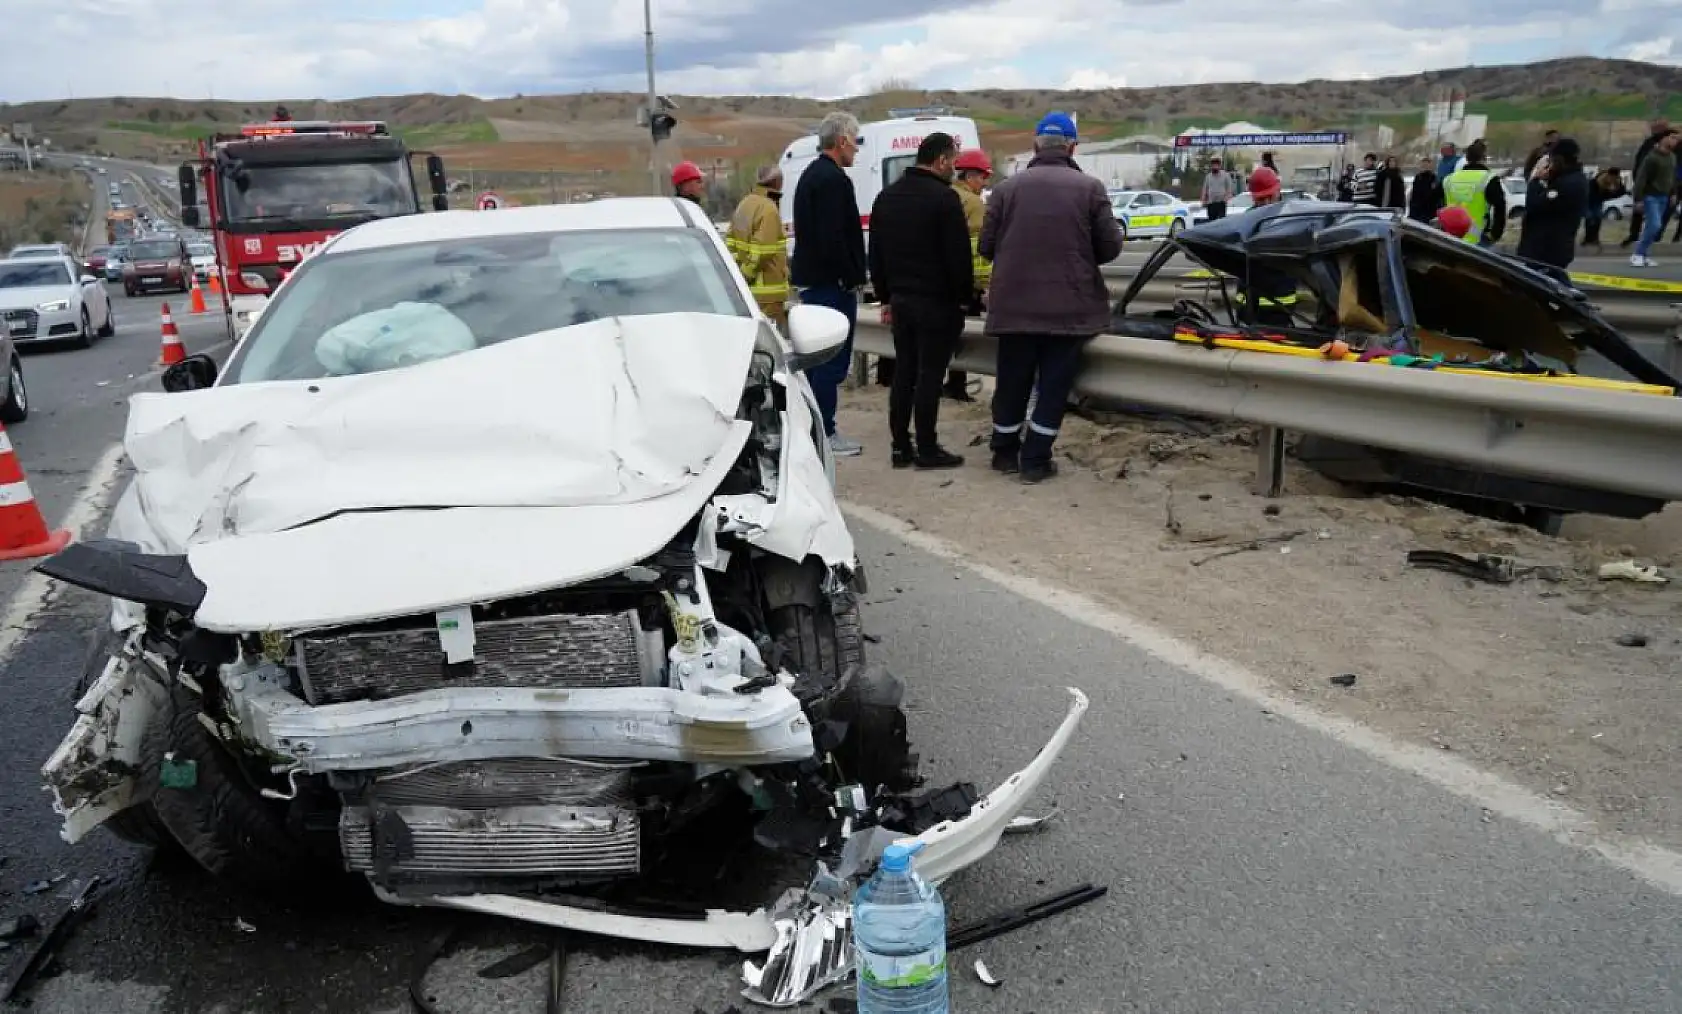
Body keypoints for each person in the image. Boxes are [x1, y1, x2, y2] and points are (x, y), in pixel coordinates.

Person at [978, 111, 1123, 485]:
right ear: (1073, 146)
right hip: (1068, 309)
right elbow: (1109, 248)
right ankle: (1036, 460)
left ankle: (1004, 452)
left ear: (1034, 144)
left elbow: (986, 246)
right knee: (1053, 386)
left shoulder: (1006, 190)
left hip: (1013, 306)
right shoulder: (1090, 189)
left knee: (1012, 382)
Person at [867, 132, 971, 470]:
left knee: (904, 374)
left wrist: (885, 297)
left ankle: (900, 446)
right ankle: (927, 447)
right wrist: (964, 299)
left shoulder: (886, 197)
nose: (955, 168)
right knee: (929, 376)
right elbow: (958, 258)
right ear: (941, 160)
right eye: (953, 161)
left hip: (901, 302)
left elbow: (876, 255)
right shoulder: (944, 199)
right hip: (936, 303)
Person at [790, 111, 868, 456]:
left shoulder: (811, 176)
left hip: (816, 280)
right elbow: (834, 237)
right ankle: (825, 432)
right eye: (856, 140)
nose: (857, 149)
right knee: (829, 361)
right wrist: (851, 277)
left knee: (818, 362)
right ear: (842, 140)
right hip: (830, 284)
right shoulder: (832, 180)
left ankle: (813, 429)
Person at [945, 147, 996, 401]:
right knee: (967, 334)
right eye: (983, 177)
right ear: (971, 175)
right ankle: (957, 385)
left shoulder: (947, 194)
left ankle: (952, 382)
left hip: (945, 280)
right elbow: (979, 250)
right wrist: (985, 282)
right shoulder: (974, 204)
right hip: (969, 283)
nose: (984, 182)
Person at [724, 164, 790, 330]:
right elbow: (762, 251)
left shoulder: (744, 204)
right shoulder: (769, 208)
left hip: (749, 293)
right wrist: (746, 275)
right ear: (776, 182)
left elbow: (730, 242)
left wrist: (738, 275)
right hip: (768, 294)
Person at [1234, 167, 1298, 327]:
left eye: (1270, 197)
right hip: (1249, 306)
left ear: (1278, 191)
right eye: (1261, 200)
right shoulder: (1247, 220)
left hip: (1278, 305)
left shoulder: (1290, 217)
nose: (1267, 204)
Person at [1516, 137, 1588, 274]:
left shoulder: (1570, 184)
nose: (1550, 164)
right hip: (1544, 249)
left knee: (1549, 286)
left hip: (1549, 251)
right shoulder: (1565, 179)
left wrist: (1535, 181)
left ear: (1560, 159)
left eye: (1552, 160)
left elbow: (1535, 204)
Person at [1441, 139, 1506, 246]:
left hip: (1451, 236)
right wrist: (1495, 234)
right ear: (1484, 157)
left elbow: (1440, 203)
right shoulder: (1489, 179)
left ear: (1467, 158)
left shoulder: (1449, 179)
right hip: (1479, 239)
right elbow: (1500, 209)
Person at [1631, 129, 1678, 268]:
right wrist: (1638, 198)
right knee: (1654, 224)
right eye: (1672, 137)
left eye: (1677, 138)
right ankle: (1637, 254)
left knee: (1654, 228)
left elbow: (1672, 177)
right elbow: (1641, 178)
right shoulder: (1651, 157)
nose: (1675, 141)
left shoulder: (1672, 157)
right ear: (1663, 139)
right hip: (1650, 195)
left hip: (1664, 195)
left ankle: (1645, 255)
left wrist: (1673, 193)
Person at [1621, 118, 1671, 248]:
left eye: (1657, 127)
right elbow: (1640, 165)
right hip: (1648, 186)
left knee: (1656, 220)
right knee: (1647, 216)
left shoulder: (1669, 147)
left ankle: (1646, 244)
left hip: (1661, 187)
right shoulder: (1649, 144)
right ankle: (1637, 240)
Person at [1583, 165, 1625, 249]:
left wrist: (1611, 194)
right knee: (1590, 217)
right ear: (1608, 174)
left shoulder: (1617, 181)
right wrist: (1607, 194)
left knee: (1598, 217)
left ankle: (1595, 238)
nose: (1613, 179)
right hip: (1589, 200)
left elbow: (1622, 191)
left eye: (1615, 177)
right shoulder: (1598, 180)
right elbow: (1590, 193)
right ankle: (1587, 238)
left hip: (1599, 200)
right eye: (1612, 177)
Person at [1408, 156, 1442, 223]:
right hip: (1417, 211)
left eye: (1427, 165)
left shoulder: (1434, 178)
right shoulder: (1418, 177)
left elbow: (1438, 196)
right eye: (1423, 165)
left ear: (1430, 166)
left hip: (1429, 211)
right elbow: (1414, 195)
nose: (1425, 166)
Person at [1201, 157, 1235, 221]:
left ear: (1219, 166)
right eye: (1213, 165)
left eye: (1216, 165)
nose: (1214, 167)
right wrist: (1203, 201)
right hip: (1211, 204)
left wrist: (1226, 199)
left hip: (1221, 203)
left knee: (1221, 222)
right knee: (1211, 222)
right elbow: (1204, 189)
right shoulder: (1208, 177)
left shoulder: (1225, 175)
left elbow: (1230, 189)